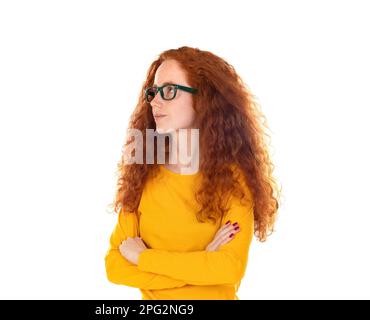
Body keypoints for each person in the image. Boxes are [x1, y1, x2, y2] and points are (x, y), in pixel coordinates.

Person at [104, 46, 280, 300]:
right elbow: (115, 266)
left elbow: (229, 269)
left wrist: (143, 257)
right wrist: (202, 263)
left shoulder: (234, 180)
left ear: (204, 98)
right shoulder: (141, 176)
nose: (155, 101)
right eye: (153, 92)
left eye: (170, 90)